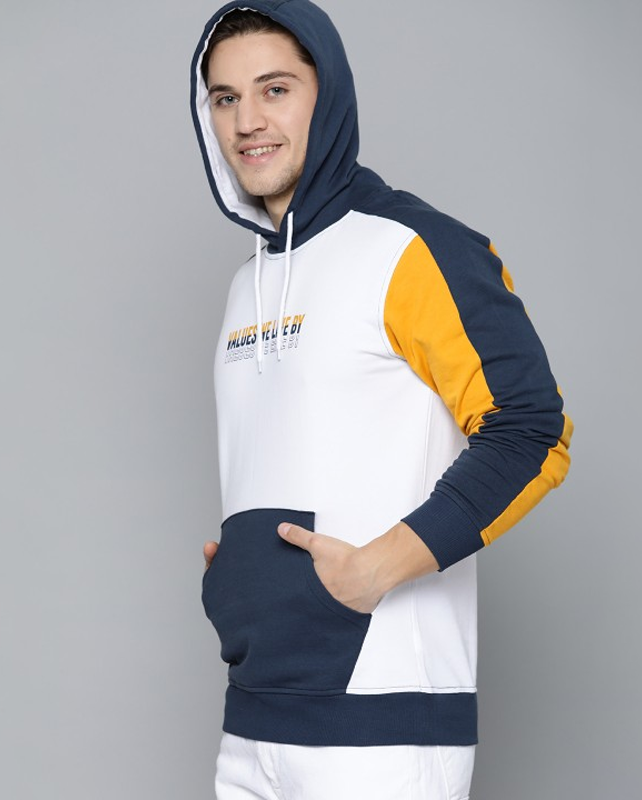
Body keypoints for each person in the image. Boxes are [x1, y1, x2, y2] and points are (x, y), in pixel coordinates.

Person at [190, 2, 572, 797]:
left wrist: (373, 571)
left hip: (380, 729)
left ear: (327, 95)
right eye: (225, 98)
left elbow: (532, 429)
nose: (247, 121)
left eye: (274, 89)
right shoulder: (244, 283)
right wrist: (244, 575)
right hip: (254, 718)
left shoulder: (411, 247)